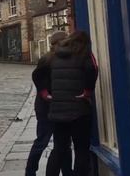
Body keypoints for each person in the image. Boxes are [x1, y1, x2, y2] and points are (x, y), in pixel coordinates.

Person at [45, 31, 98, 176]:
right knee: (81, 150)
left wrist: (47, 93)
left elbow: (41, 75)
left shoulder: (54, 57)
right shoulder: (83, 54)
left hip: (58, 111)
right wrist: (87, 91)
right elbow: (92, 69)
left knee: (59, 149)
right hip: (79, 110)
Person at [25, 31, 72, 176]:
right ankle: (30, 171)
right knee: (42, 141)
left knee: (63, 143)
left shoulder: (64, 58)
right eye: (66, 42)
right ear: (58, 43)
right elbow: (36, 77)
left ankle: (67, 171)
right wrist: (45, 93)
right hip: (45, 108)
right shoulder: (47, 59)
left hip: (59, 107)